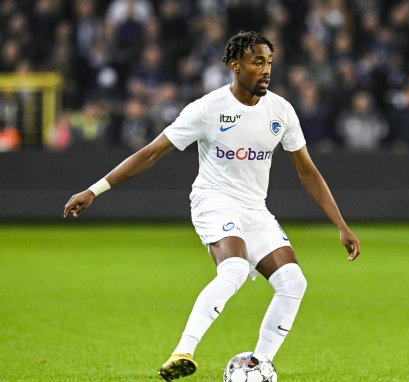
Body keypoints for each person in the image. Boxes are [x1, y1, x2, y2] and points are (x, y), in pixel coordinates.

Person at [63, 31, 361, 381]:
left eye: (269, 62)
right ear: (235, 66)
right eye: (257, 62)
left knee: (294, 282)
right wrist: (95, 190)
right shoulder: (208, 109)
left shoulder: (281, 110)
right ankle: (183, 351)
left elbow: (307, 171)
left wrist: (340, 224)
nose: (266, 70)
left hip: (254, 209)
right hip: (213, 201)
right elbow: (151, 153)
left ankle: (257, 364)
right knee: (233, 269)